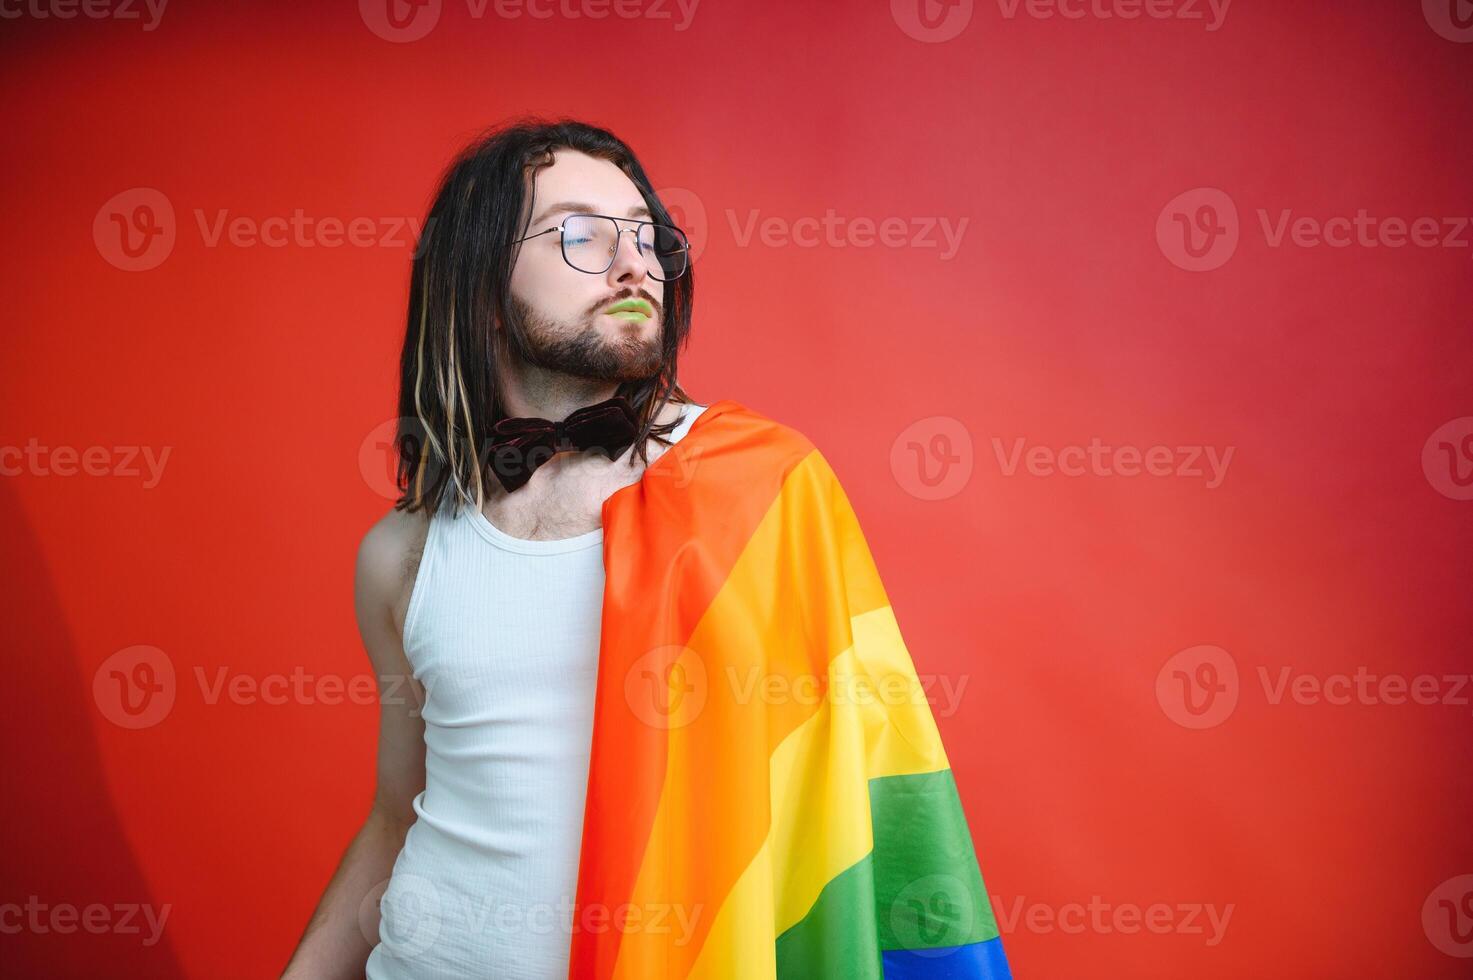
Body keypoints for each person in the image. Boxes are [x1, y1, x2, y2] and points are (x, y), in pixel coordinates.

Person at [284, 117, 1010, 980]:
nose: (635, 263)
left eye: (647, 237)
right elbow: (398, 818)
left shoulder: (763, 488)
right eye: (582, 235)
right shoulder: (399, 554)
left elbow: (863, 780)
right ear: (478, 284)